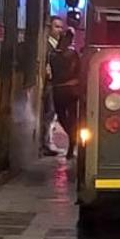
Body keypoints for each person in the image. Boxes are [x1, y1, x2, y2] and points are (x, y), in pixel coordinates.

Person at [49, 29, 83, 160]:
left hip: (59, 90)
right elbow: (79, 70)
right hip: (72, 89)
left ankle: (72, 139)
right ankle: (73, 142)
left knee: (62, 117)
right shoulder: (72, 54)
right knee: (72, 118)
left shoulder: (53, 54)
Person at [39, 15, 65, 156]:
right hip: (49, 84)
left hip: (56, 84)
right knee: (49, 115)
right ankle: (46, 143)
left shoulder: (58, 46)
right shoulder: (47, 47)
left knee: (52, 114)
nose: (59, 30)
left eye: (61, 27)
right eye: (56, 27)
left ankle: (47, 142)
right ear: (49, 28)